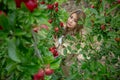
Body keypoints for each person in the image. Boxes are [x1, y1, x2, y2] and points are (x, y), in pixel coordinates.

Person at [54, 9, 86, 76]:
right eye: (71, 17)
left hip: (66, 66)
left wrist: (55, 43)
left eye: (75, 21)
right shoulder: (65, 27)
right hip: (58, 62)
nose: (70, 21)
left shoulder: (75, 38)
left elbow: (62, 53)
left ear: (79, 24)